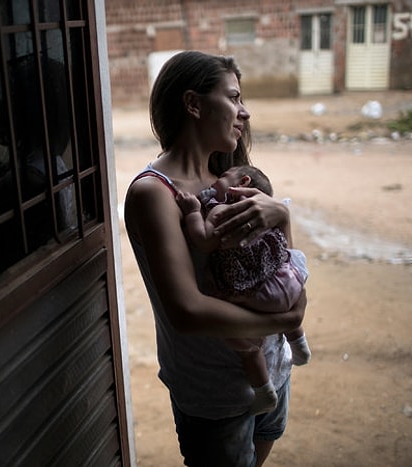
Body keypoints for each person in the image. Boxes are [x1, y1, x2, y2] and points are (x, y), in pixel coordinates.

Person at [124, 50, 307, 467]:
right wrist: (283, 320)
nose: (245, 113)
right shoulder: (155, 193)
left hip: (272, 371)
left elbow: (277, 262)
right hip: (215, 396)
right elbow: (186, 311)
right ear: (193, 104)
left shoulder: (229, 178)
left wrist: (282, 217)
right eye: (234, 98)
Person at [176, 164, 311, 416]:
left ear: (243, 182)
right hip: (285, 282)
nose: (214, 183)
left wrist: (193, 211)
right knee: (285, 300)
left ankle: (263, 391)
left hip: (253, 295)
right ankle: (300, 344)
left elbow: (204, 241)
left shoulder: (221, 210)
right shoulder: (264, 209)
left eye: (223, 177)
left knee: (244, 344)